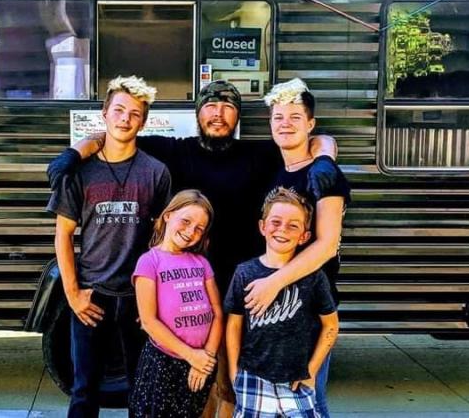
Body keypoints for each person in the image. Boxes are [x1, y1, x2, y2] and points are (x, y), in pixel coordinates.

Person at [47, 81, 336, 417]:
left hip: (248, 285)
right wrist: (74, 151)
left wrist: (326, 159)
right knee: (181, 382)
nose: (218, 113)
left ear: (238, 116)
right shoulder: (173, 151)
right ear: (198, 113)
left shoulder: (259, 153)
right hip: (187, 287)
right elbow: (115, 135)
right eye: (210, 106)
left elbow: (312, 140)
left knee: (233, 381)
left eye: (228, 107)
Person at [46, 75, 172, 418]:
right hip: (92, 293)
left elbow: (162, 240)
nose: (125, 119)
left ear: (143, 121)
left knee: (141, 388)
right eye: (118, 110)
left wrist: (156, 297)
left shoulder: (157, 172)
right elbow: (63, 235)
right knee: (84, 390)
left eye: (134, 113)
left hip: (137, 295)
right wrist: (73, 294)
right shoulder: (79, 172)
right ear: (104, 114)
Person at [242, 79, 350, 417]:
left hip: (309, 306)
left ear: (310, 124)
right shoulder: (277, 172)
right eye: (278, 117)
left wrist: (273, 282)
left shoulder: (325, 175)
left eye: (294, 117)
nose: (285, 124)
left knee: (308, 396)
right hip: (274, 305)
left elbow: (327, 245)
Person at [225, 187, 340, 418]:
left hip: (297, 380)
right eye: (275, 222)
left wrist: (312, 372)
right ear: (262, 227)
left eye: (293, 225)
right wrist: (234, 372)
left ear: (304, 236)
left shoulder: (314, 277)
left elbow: (331, 325)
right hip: (252, 377)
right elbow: (234, 325)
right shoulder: (245, 273)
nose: (282, 230)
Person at [130, 189, 224, 418]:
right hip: (163, 365)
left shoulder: (201, 263)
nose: (191, 231)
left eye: (199, 229)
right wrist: (191, 355)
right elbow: (149, 321)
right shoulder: (149, 262)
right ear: (168, 215)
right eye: (186, 221)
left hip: (201, 363)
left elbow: (217, 314)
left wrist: (206, 359)